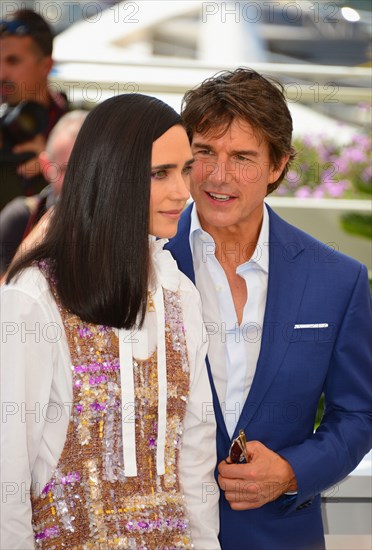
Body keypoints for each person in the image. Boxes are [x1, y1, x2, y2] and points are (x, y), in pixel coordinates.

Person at [1, 93, 219, 549]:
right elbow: (7, 479)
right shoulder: (34, 298)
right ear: (112, 175)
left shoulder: (182, 297)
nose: (182, 191)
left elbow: (196, 459)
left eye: (184, 170)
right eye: (160, 173)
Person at [165, 68, 372, 550]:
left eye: (242, 158)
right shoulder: (140, 260)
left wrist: (292, 471)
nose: (219, 176)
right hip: (159, 534)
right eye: (205, 153)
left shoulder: (337, 279)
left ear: (277, 166)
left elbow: (359, 414)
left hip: (280, 535)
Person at [0, 110, 88, 276]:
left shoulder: (118, 222)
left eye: (87, 170)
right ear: (46, 166)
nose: (77, 182)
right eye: (65, 170)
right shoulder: (20, 218)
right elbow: (4, 296)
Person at [0, 8, 68, 210]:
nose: (2, 73)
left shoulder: (83, 126)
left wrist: (57, 164)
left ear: (46, 66)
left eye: (13, 61)